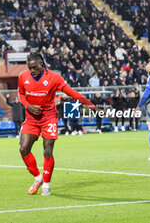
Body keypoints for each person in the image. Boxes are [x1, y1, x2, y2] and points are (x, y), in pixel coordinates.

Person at [18, 52, 96, 196]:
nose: (32, 71)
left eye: (35, 67)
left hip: (48, 117)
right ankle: (38, 178)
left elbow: (72, 93)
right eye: (30, 68)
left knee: (48, 150)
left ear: (42, 63)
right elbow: (21, 94)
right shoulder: (23, 77)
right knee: (23, 149)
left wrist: (91, 106)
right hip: (31, 118)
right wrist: (28, 106)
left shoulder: (54, 78)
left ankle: (46, 185)